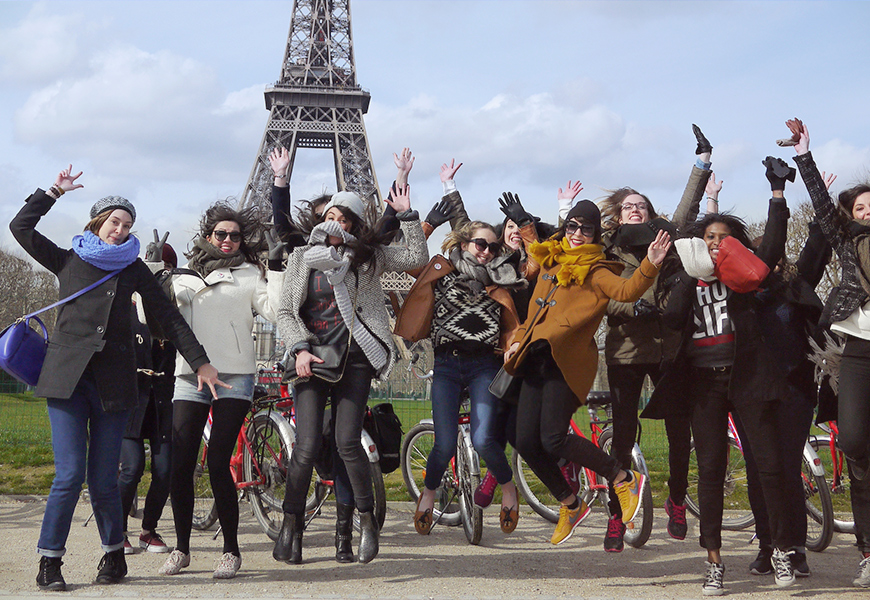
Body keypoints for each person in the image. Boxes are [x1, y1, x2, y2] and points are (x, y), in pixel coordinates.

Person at [10, 166, 223, 591]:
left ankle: (113, 555)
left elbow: (169, 318)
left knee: (104, 479)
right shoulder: (68, 259)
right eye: (114, 222)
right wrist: (53, 191)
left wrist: (201, 362)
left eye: (127, 225)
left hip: (114, 384)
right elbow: (20, 226)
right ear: (97, 223)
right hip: (68, 382)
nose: (120, 230)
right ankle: (50, 561)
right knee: (69, 475)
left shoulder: (133, 271)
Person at [643, 162, 794, 594]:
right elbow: (671, 320)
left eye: (724, 238)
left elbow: (772, 250)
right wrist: (691, 275)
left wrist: (777, 193)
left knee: (767, 466)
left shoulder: (745, 280)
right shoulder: (686, 279)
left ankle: (780, 551)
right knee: (710, 470)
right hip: (702, 386)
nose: (716, 244)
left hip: (747, 380)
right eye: (709, 238)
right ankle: (714, 561)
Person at [274, 183, 428, 565]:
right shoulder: (301, 257)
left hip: (356, 357)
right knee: (306, 446)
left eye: (345, 219)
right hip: (312, 358)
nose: (336, 224)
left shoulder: (368, 258)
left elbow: (415, 256)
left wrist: (407, 214)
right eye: (331, 217)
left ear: (355, 226)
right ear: (320, 221)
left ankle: (365, 521)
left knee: (347, 443)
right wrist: (299, 349)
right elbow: (286, 313)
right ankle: (291, 527)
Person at [503, 200, 671, 547]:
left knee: (552, 438)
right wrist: (517, 340)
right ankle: (571, 503)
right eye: (572, 227)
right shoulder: (551, 262)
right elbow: (535, 314)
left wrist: (651, 264)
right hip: (535, 360)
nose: (578, 234)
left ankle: (623, 478)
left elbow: (627, 291)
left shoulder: (596, 271)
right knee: (523, 441)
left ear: (596, 233)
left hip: (568, 364)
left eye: (586, 229)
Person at [150, 201, 285, 579]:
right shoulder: (184, 276)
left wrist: (274, 267)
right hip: (190, 373)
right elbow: (152, 317)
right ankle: (181, 548)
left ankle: (231, 550)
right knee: (180, 463)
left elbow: (275, 311)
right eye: (221, 234)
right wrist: (153, 271)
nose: (228, 240)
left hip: (234, 374)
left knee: (218, 460)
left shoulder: (249, 275)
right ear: (208, 236)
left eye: (235, 235)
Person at [597, 124, 716, 552]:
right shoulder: (607, 250)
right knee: (624, 436)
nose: (635, 210)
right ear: (618, 214)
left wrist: (701, 161)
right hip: (626, 350)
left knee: (678, 430)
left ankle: (677, 500)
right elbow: (598, 299)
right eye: (628, 206)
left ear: (650, 214)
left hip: (667, 347)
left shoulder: (667, 237)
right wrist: (632, 307)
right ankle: (616, 514)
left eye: (641, 206)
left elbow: (686, 208)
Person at [395, 217, 525, 535]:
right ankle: (428, 493)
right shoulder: (441, 271)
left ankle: (509, 489)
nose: (487, 251)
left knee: (483, 440)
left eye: (493, 247)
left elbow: (531, 272)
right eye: (481, 244)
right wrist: (422, 223)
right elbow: (405, 260)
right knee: (443, 445)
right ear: (464, 244)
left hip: (484, 365)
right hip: (447, 366)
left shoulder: (502, 278)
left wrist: (516, 343)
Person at [791, 119, 870, 588]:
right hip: (859, 348)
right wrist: (806, 156)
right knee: (856, 443)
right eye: (860, 206)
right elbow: (823, 208)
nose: (868, 211)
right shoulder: (846, 242)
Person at [117, 244, 180, 556]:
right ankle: (117, 529)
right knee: (131, 467)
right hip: (131, 397)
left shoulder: (175, 309)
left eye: (166, 268)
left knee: (166, 469)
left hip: (163, 397)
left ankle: (148, 529)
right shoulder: (126, 304)